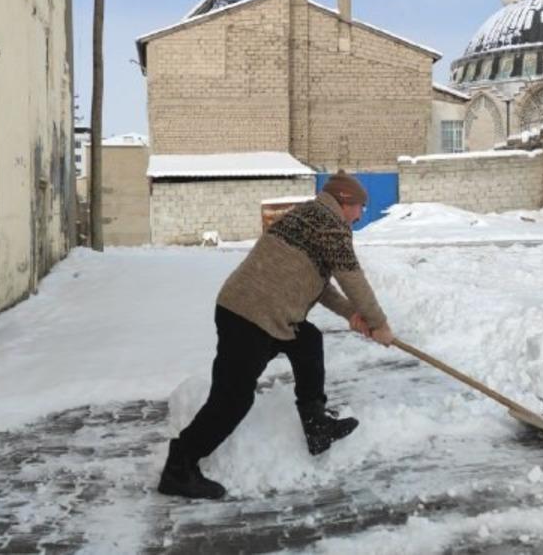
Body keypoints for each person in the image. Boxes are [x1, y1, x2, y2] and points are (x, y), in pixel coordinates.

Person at [158, 171, 394, 500]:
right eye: (360, 208)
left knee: (308, 340)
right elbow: (353, 279)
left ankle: (316, 427)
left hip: (259, 313)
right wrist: (378, 323)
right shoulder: (331, 225)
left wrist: (351, 315)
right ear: (344, 202)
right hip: (250, 317)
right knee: (232, 400)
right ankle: (179, 467)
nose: (359, 216)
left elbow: (318, 282)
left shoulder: (304, 216)